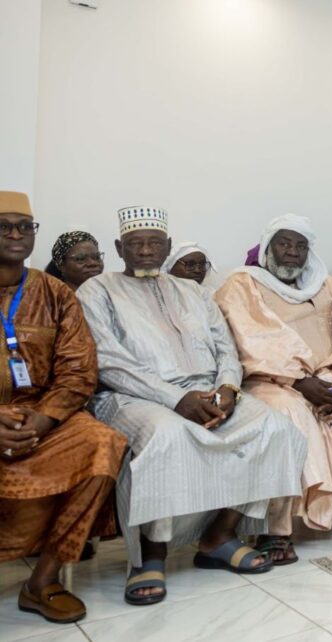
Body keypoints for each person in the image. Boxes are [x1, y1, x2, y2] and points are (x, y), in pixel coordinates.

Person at [77, 206, 307, 606]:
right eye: (135, 244)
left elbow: (226, 349)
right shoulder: (97, 290)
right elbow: (107, 361)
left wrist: (228, 389)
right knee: (167, 435)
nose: (146, 251)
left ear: (166, 246)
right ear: (119, 248)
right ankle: (150, 556)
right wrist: (175, 399)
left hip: (208, 390)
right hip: (132, 396)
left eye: (154, 243)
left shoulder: (195, 292)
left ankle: (219, 535)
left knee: (275, 429)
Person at [215, 214, 332, 563]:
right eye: (284, 243)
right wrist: (304, 384)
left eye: (300, 245)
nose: (292, 252)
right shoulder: (242, 285)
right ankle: (277, 531)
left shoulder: (331, 286)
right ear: (268, 247)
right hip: (275, 381)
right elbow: (253, 342)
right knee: (286, 414)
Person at [0, 192, 126, 624]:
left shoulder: (56, 293)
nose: (15, 235)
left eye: (24, 226)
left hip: (40, 415)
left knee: (101, 442)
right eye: (4, 226)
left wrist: (43, 418)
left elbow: (78, 369)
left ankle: (42, 582)